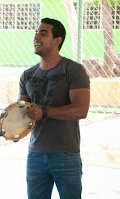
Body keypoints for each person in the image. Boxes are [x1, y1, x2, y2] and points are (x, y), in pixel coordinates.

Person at [18, 18, 90, 199]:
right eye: (36, 32)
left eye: (43, 33)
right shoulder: (27, 75)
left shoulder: (73, 70)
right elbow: (21, 111)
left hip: (66, 154)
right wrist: (10, 124)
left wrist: (45, 111)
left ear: (57, 40)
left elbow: (81, 110)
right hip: (35, 154)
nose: (36, 37)